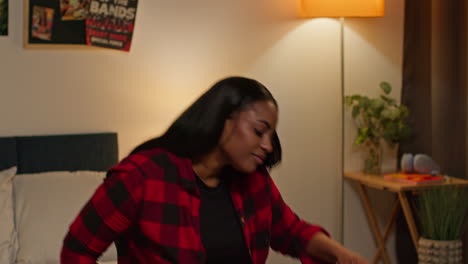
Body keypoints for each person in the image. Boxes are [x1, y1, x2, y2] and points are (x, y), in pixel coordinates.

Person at [61, 76, 368, 264]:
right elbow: (78, 249)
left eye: (271, 135)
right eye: (259, 131)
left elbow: (290, 232)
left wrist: (341, 254)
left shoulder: (253, 181)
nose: (268, 146)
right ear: (224, 119)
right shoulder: (141, 178)